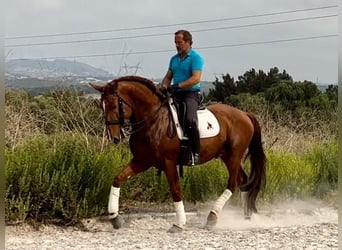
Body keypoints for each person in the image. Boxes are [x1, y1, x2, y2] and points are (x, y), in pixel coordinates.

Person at [161, 29, 204, 165]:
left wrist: (178, 85)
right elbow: (168, 77)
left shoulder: (196, 57)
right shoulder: (173, 59)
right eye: (175, 43)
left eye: (179, 42)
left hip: (191, 93)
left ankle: (195, 152)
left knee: (190, 120)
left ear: (188, 42)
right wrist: (163, 86)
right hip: (175, 93)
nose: (177, 45)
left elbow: (196, 78)